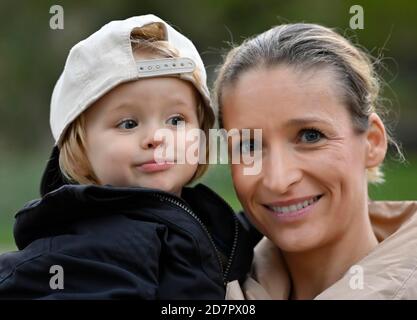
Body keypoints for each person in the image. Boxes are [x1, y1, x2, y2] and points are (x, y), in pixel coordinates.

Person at [0, 15, 257, 299]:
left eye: (175, 119)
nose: (157, 137)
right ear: (80, 150)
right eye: (128, 124)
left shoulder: (208, 218)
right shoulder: (92, 249)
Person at [214, 23, 417, 299]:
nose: (279, 179)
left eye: (310, 136)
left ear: (372, 141)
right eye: (249, 145)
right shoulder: (198, 286)